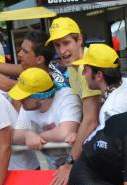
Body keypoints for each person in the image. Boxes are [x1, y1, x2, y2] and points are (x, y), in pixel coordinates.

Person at [46, 18, 102, 164]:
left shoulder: (86, 66)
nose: (62, 51)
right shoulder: (72, 67)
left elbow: (91, 121)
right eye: (57, 45)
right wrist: (76, 132)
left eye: (66, 43)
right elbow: (87, 114)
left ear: (80, 39)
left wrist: (71, 162)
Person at [9, 68, 80, 167]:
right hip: (53, 169)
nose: (20, 100)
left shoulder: (67, 96)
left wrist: (39, 137)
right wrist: (27, 134)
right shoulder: (27, 106)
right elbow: (14, 136)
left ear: (40, 97)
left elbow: (65, 132)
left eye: (24, 96)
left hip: (77, 165)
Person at [75, 44, 127, 132]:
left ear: (98, 75)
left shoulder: (109, 110)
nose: (83, 74)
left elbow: (110, 144)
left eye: (85, 70)